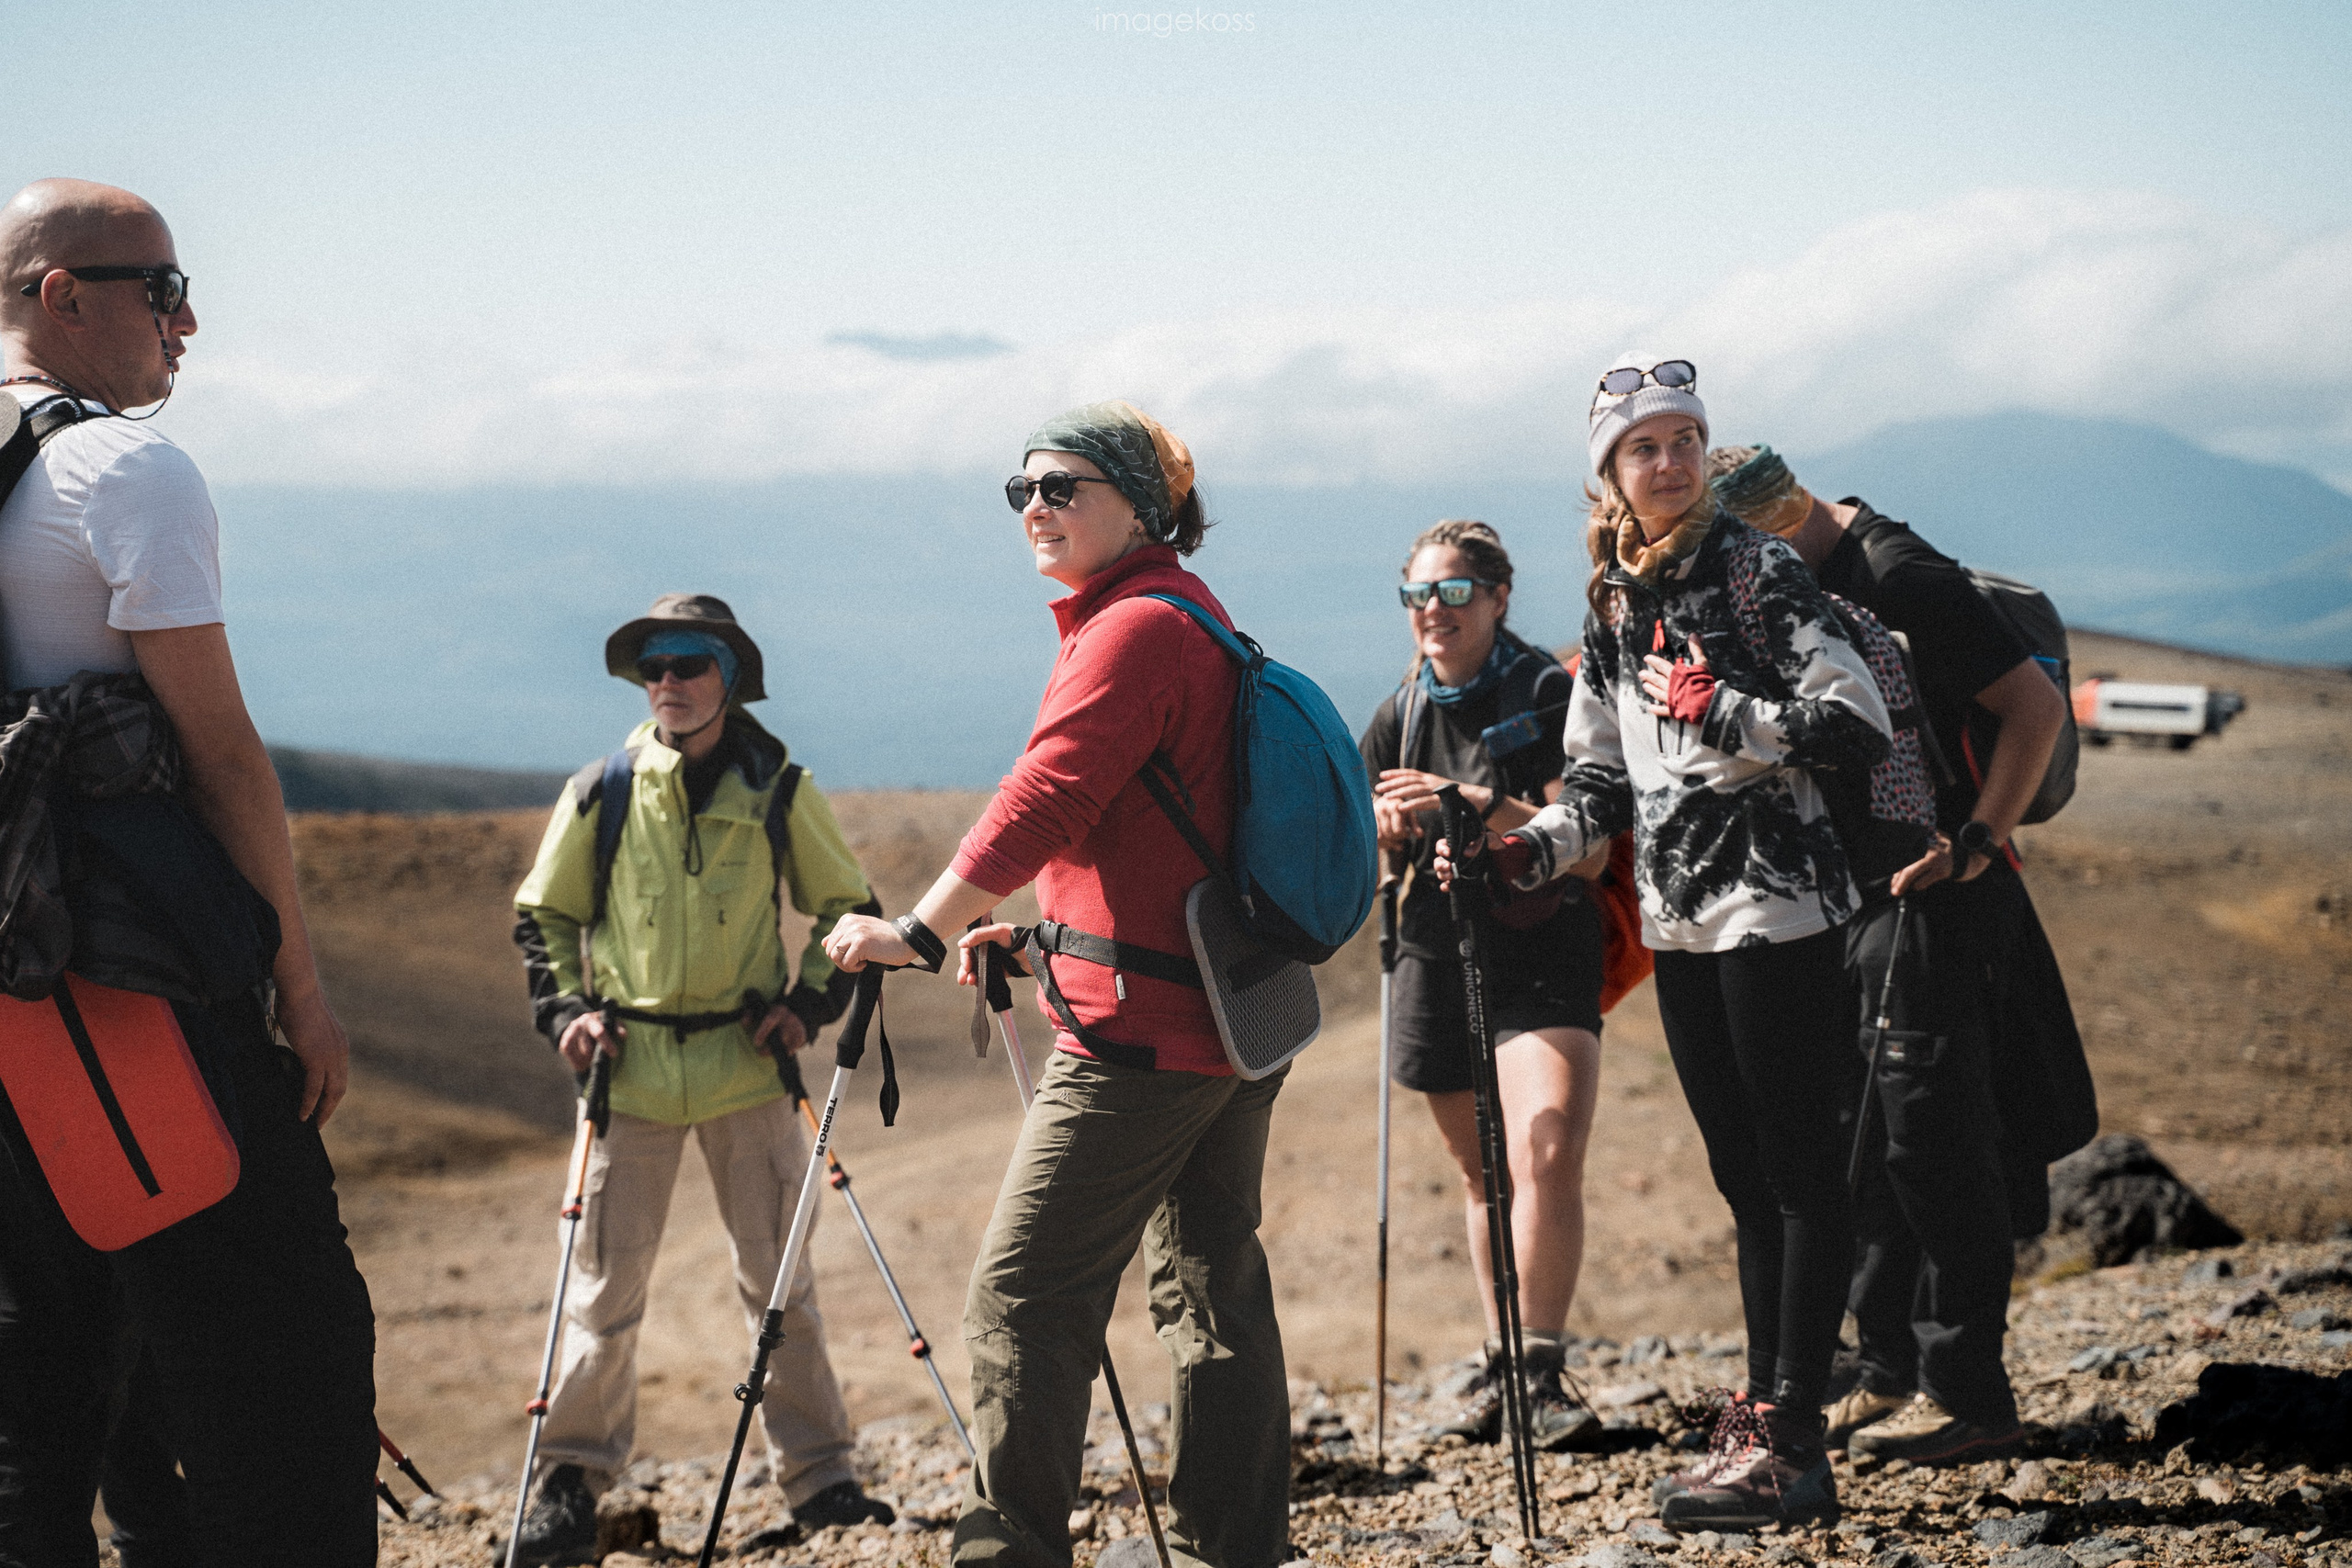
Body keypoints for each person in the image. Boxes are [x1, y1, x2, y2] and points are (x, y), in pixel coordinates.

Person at [823, 400, 1291, 1568]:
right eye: (1020, 490)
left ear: (1139, 503)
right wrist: (1040, 937)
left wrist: (923, 932)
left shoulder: (1134, 628)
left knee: (1023, 1297)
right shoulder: (1191, 619)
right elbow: (1160, 840)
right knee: (1209, 1290)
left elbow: (1047, 799)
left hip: (1141, 1036)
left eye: (1061, 486)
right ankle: (1234, 1548)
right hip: (1228, 1011)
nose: (1034, 507)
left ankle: (1011, 1548)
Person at [1442, 354, 1894, 1532]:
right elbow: (1598, 775)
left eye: (1684, 439)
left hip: (1782, 906)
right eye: (1642, 446)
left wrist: (1726, 713)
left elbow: (1854, 721)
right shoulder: (1613, 597)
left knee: (1798, 1172)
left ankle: (1792, 1446)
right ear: (1608, 472)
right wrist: (1521, 855)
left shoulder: (1753, 570)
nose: (1670, 460)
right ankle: (1767, 1421)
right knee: (1747, 1178)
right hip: (1681, 920)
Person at [0, 178, 378, 1565]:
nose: (189, 320)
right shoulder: (120, 472)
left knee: (43, 1368)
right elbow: (222, 755)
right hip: (136, 982)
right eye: (161, 289)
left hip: (6, 1011)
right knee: (285, 1355)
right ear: (61, 295)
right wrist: (302, 989)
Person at [1708, 445, 2089, 1464]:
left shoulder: (1897, 574)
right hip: (1858, 894)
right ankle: (1889, 1372)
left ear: (1779, 515)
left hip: (1940, 892)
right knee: (1865, 1135)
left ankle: (1970, 1393)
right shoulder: (1805, 568)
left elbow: (2034, 709)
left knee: (1933, 1135)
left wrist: (1975, 843)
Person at [508, 593, 895, 1557]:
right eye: (654, 665)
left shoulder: (777, 786)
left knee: (780, 1289)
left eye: (689, 662)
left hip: (745, 1074)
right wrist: (567, 1010)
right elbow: (543, 918)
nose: (667, 681)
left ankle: (821, 1482)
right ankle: (567, 1484)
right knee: (601, 1296)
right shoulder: (601, 790)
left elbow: (849, 910)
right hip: (629, 1075)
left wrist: (806, 1007)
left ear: (729, 676)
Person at [1356, 519, 1605, 1452]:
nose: (1433, 612)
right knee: (1480, 1170)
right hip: (1432, 946)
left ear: (1498, 599)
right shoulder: (1399, 714)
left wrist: (1469, 805)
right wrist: (1381, 836)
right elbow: (1364, 842)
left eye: (1454, 593)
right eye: (1418, 595)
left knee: (1545, 1146)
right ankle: (1503, 1357)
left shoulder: (1547, 693)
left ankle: (1538, 1364)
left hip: (1540, 950)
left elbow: (1589, 845)